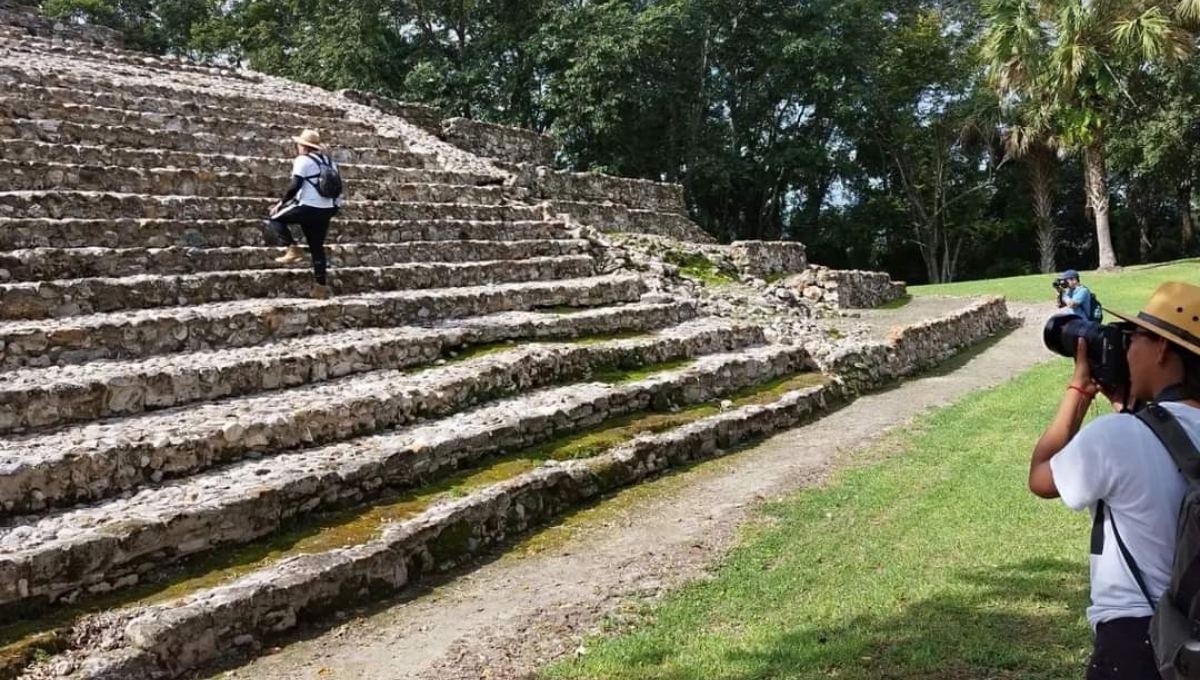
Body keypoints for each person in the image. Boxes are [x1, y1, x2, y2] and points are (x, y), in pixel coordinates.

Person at [1029, 281, 1200, 680]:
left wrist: (1079, 389)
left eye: (1134, 337)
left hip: (1136, 644)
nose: (1125, 348)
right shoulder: (1134, 430)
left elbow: (1040, 476)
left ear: (1162, 349)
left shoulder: (1116, 437)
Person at [268, 129, 340, 300]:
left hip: (308, 206)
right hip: (328, 208)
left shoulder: (303, 160)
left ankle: (293, 249)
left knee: (275, 218)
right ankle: (320, 288)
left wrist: (280, 204)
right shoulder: (329, 162)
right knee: (317, 247)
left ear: (304, 146)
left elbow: (295, 186)